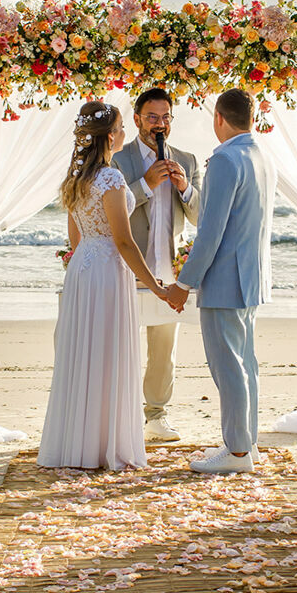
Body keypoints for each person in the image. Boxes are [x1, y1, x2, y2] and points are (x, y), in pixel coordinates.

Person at [38, 102, 169, 470]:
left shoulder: (77, 177)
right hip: (108, 269)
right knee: (107, 352)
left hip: (83, 267)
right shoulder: (110, 178)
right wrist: (156, 287)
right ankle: (104, 445)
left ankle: (79, 443)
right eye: (123, 127)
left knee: (85, 350)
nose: (125, 133)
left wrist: (83, 268)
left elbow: (75, 237)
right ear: (111, 136)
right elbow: (124, 241)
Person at [161, 89, 276, 475]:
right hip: (251, 278)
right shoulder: (261, 156)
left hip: (226, 280)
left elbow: (210, 232)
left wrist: (184, 283)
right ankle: (248, 444)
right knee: (245, 364)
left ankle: (238, 451)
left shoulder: (226, 158)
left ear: (218, 118)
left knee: (229, 367)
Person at [111, 88, 201, 442]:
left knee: (164, 350)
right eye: (152, 117)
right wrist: (145, 184)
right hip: (126, 270)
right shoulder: (119, 159)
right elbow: (107, 212)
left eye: (166, 118)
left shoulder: (188, 160)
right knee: (122, 347)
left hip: (168, 271)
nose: (160, 124)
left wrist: (185, 190)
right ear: (136, 119)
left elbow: (201, 217)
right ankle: (122, 416)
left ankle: (156, 416)